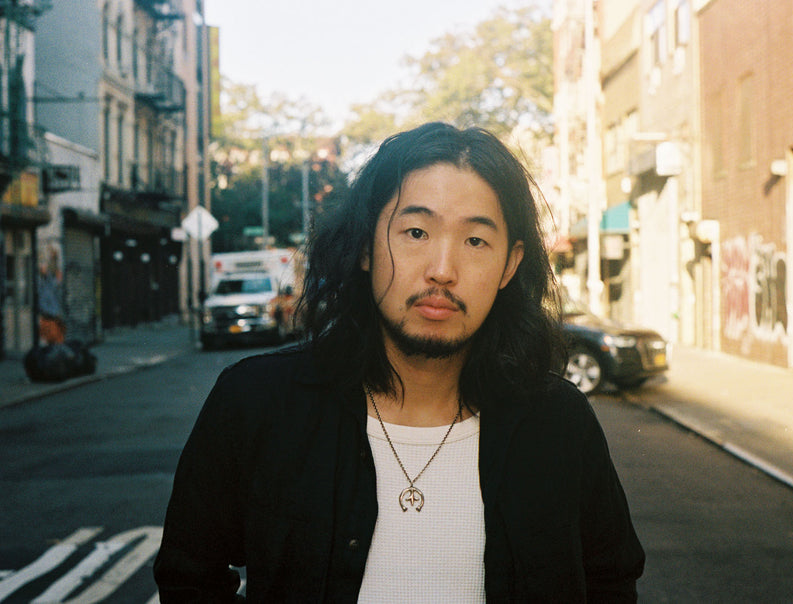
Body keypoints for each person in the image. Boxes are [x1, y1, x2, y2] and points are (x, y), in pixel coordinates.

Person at [154, 122, 645, 602]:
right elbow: (190, 576)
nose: (442, 270)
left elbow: (611, 582)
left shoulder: (557, 421)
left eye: (476, 241)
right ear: (366, 245)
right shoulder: (257, 403)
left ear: (509, 265)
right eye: (415, 231)